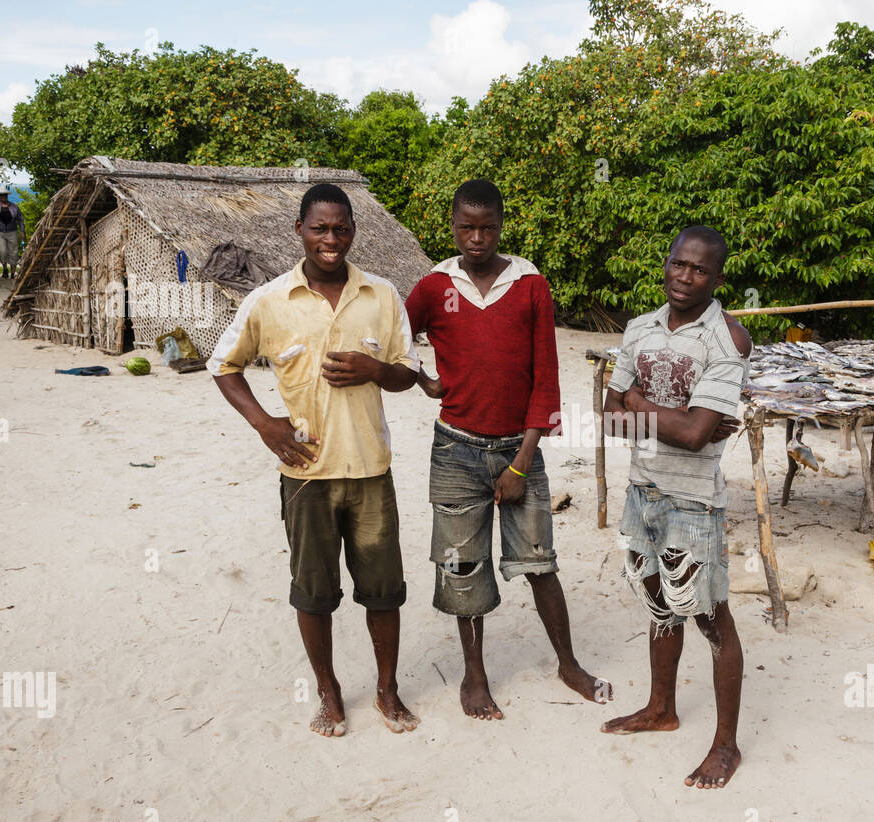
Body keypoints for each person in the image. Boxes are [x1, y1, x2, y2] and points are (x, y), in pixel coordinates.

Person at [208, 182, 420, 738]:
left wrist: (376, 370)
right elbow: (223, 365)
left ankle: (387, 689)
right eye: (320, 228)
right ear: (299, 231)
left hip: (372, 470)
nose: (331, 239)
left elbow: (408, 374)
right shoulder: (270, 300)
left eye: (341, 228)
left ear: (354, 231)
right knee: (313, 591)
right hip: (306, 476)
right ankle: (328, 692)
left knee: (384, 590)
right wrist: (264, 424)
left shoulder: (382, 295)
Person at [406, 178, 611, 720]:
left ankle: (568, 662)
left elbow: (546, 375)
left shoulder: (529, 284)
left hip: (518, 451)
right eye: (466, 228)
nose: (477, 238)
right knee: (461, 568)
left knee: (539, 562)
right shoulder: (433, 285)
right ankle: (474, 678)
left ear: (502, 225)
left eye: (488, 227)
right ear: (451, 226)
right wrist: (424, 379)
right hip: (454, 449)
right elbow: (390, 336)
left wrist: (522, 462)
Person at [600, 225, 751, 789]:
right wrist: (665, 413)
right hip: (643, 492)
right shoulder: (639, 329)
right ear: (665, 263)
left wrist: (639, 401)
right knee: (659, 608)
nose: (685, 278)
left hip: (693, 501)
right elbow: (609, 418)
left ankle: (726, 745)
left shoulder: (727, 341)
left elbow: (694, 436)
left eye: (700, 270)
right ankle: (660, 709)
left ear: (717, 278)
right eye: (678, 265)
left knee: (712, 620)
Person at [0, 186, 25, 279]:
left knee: (14, 252)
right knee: (2, 251)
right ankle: (5, 268)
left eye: (4, 195)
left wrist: (22, 231)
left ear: (7, 195)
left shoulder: (14, 206)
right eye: (1, 195)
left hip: (12, 231)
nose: (3, 197)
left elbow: (20, 220)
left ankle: (13, 273)